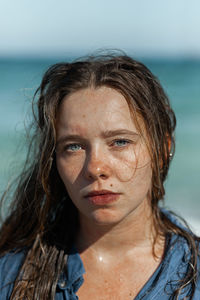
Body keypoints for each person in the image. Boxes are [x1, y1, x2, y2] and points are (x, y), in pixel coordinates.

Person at [0, 52, 199, 300]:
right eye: (73, 146)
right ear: (53, 160)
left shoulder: (194, 276)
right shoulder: (12, 275)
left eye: (119, 141)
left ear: (161, 150)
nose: (95, 168)